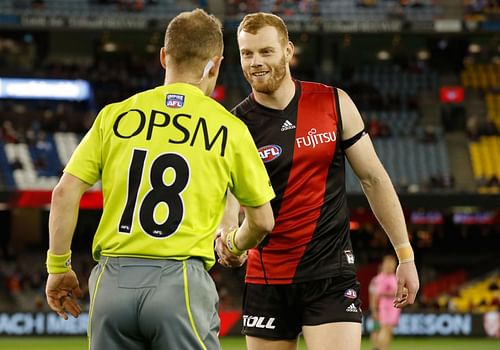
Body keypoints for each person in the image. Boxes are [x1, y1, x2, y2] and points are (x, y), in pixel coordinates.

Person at [44, 9, 275, 350]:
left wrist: (57, 266)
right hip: (180, 282)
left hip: (111, 284)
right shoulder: (229, 127)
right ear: (215, 64)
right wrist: (234, 246)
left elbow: (64, 193)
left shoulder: (115, 115)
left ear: (164, 57)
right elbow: (263, 221)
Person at [216, 12, 419, 350]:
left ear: (288, 51)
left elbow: (374, 179)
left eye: (266, 51)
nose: (255, 62)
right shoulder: (236, 125)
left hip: (331, 276)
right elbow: (231, 200)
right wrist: (227, 239)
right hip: (267, 279)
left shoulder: (333, 102)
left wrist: (406, 255)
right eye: (246, 53)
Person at [371, 255, 402, 350]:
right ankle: (378, 348)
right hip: (385, 307)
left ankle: (382, 347)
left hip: (394, 307)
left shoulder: (394, 277)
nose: (390, 266)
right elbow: (376, 295)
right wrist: (374, 310)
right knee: (383, 328)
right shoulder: (380, 278)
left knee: (388, 330)